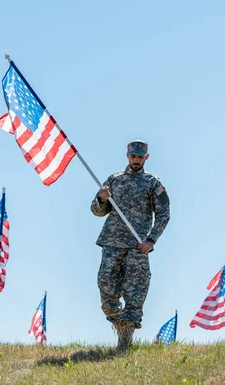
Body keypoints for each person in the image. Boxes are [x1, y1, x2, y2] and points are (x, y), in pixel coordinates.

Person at [91, 139, 171, 351]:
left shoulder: (152, 183)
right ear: (127, 156)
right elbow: (97, 211)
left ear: (146, 157)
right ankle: (119, 324)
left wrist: (151, 240)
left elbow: (164, 213)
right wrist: (101, 198)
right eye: (133, 156)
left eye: (140, 157)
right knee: (106, 288)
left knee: (135, 293)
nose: (136, 160)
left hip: (137, 246)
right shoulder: (114, 180)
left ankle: (126, 335)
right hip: (112, 243)